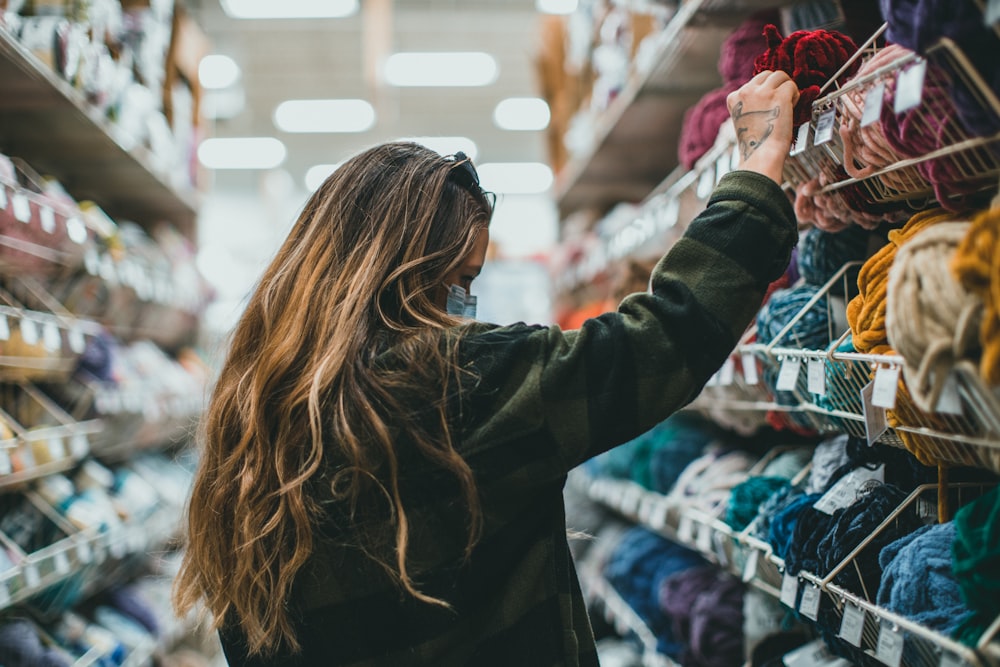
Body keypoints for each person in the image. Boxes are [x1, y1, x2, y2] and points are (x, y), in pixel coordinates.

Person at [174, 70, 800, 666]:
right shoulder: (460, 380)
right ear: (411, 275)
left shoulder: (253, 416)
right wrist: (756, 170)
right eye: (459, 283)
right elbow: (660, 339)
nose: (461, 310)